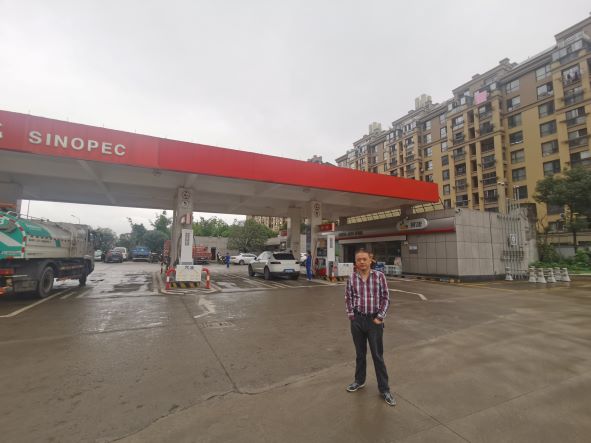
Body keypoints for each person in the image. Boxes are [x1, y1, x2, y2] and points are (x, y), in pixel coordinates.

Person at [344, 248, 395, 406]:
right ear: (355, 262)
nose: (361, 262)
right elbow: (348, 298)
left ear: (370, 260)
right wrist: (352, 316)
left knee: (377, 356)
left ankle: (384, 389)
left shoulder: (379, 276)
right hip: (357, 320)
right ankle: (359, 381)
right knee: (360, 354)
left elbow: (386, 297)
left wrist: (380, 317)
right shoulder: (352, 278)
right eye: (358, 260)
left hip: (374, 321)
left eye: (364, 259)